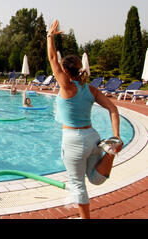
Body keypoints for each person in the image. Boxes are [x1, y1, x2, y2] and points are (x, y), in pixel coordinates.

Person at [47, 20, 123, 219]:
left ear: (65, 71)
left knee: (78, 183)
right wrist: (116, 136)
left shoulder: (66, 86)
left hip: (73, 139)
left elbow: (53, 57)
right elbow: (113, 109)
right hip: (92, 137)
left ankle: (84, 219)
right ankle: (110, 151)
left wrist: (49, 37)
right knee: (95, 178)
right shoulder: (91, 89)